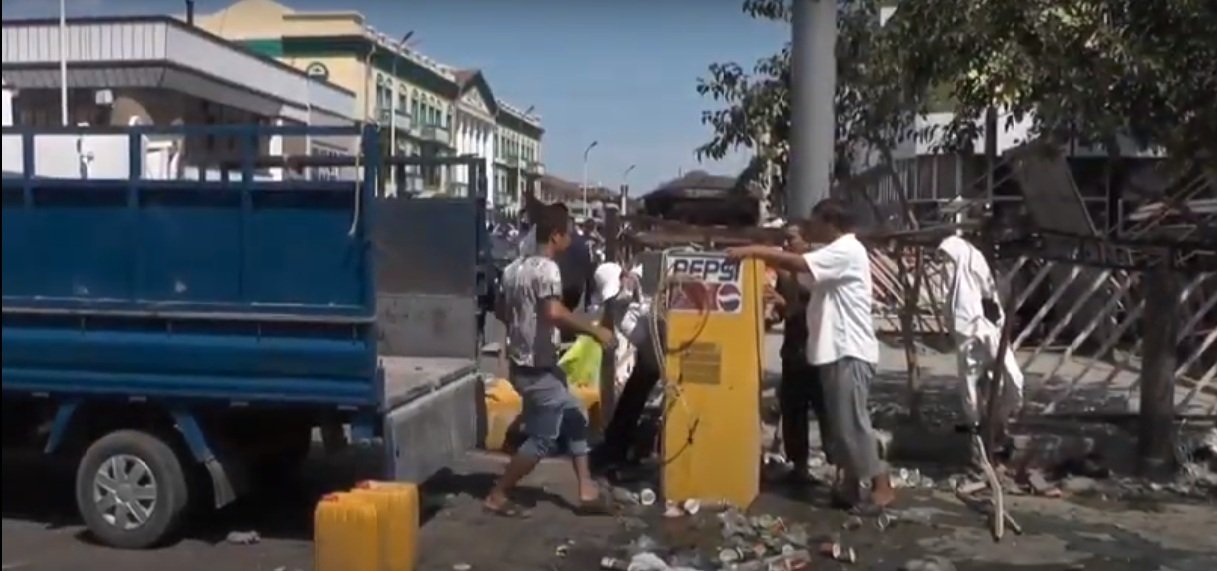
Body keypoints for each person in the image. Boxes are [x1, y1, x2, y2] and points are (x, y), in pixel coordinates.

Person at [727, 198, 895, 514]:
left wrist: (754, 252)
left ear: (831, 222)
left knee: (851, 425)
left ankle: (881, 484)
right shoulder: (833, 254)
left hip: (849, 350)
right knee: (842, 425)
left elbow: (802, 266)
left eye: (816, 222)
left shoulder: (847, 249)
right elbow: (803, 277)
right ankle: (849, 485)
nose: (812, 229)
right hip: (832, 351)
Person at [484, 204, 617, 518]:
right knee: (543, 439)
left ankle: (586, 490)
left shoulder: (514, 268)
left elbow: (503, 311)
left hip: (526, 363)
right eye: (567, 232)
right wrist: (595, 330)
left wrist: (523, 331)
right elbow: (553, 313)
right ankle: (498, 494)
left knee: (575, 418)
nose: (571, 238)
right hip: (537, 368)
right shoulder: (547, 269)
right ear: (556, 236)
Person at [937, 235, 1024, 465]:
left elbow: (990, 294)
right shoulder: (956, 273)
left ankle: (997, 423)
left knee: (1012, 379)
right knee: (970, 384)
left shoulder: (976, 262)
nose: (945, 265)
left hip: (987, 328)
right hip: (967, 330)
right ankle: (979, 436)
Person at [769, 222, 834, 485]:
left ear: (806, 241)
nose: (786, 245)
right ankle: (799, 465)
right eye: (784, 240)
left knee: (826, 411)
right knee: (793, 409)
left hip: (819, 351)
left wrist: (784, 304)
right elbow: (785, 313)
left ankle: (838, 466)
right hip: (794, 351)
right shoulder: (785, 275)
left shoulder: (819, 269)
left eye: (791, 240)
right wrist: (774, 308)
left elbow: (813, 309)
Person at [588, 262, 662, 475]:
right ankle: (616, 449)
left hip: (666, 349)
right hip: (654, 354)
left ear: (626, 275)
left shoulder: (651, 272)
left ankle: (617, 448)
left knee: (634, 394)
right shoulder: (621, 311)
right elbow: (643, 337)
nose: (620, 294)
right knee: (632, 397)